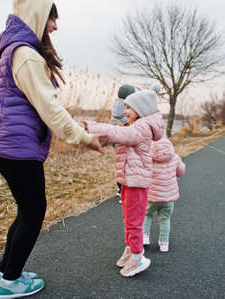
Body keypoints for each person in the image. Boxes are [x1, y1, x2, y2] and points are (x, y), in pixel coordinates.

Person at [0, 1, 104, 297]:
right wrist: (82, 137)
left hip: (8, 145)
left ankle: (4, 274)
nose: (54, 25)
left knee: (27, 209)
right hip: (17, 149)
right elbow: (48, 108)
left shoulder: (19, 50)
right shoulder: (25, 54)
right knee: (34, 211)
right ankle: (12, 281)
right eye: (52, 17)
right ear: (37, 15)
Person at [83, 83, 164, 277]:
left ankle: (138, 256)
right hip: (128, 180)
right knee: (128, 218)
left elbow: (119, 133)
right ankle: (131, 248)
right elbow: (119, 131)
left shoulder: (141, 128)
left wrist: (93, 127)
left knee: (134, 221)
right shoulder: (136, 125)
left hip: (136, 182)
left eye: (128, 108)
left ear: (141, 110)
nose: (124, 111)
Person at [143, 135, 185, 252]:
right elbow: (180, 172)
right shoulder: (175, 158)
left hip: (151, 196)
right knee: (165, 218)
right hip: (168, 197)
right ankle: (164, 243)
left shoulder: (148, 158)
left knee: (147, 215)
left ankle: (144, 237)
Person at [109, 84, 135, 200]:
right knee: (125, 163)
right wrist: (130, 124)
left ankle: (121, 189)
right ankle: (123, 190)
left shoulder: (117, 103)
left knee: (121, 163)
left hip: (116, 137)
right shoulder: (122, 105)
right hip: (121, 137)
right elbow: (119, 115)